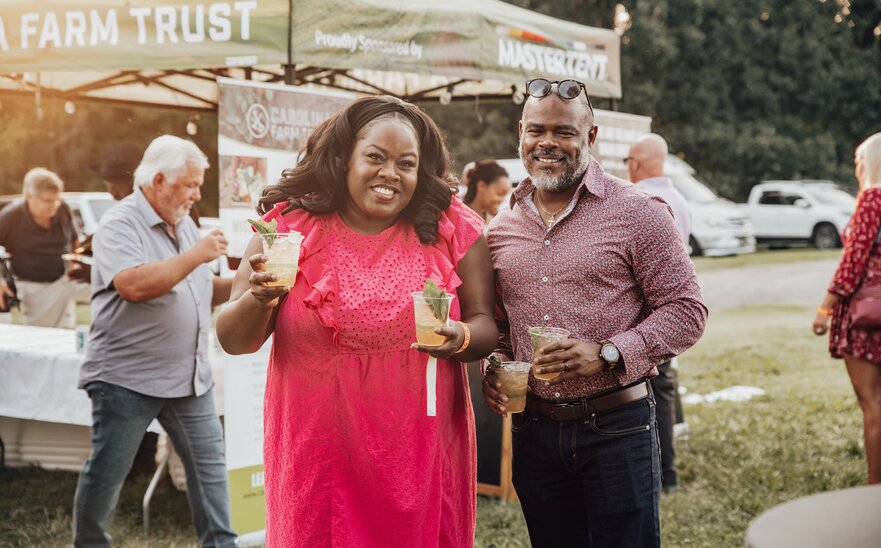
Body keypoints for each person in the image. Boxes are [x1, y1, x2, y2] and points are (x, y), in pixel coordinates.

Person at [216, 95, 497, 547]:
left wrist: (460, 337)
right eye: (375, 157)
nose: (390, 173)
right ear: (344, 157)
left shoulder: (450, 226)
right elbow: (234, 339)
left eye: (406, 163)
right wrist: (259, 298)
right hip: (317, 451)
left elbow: (486, 324)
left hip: (417, 449)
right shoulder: (289, 228)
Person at [483, 78, 707, 547]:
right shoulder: (501, 227)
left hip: (617, 428)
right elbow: (502, 326)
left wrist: (607, 352)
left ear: (590, 137)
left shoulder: (639, 212)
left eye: (564, 132)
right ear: (520, 133)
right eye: (536, 130)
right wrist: (496, 366)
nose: (548, 143)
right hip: (534, 433)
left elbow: (687, 309)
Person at [72, 135, 236, 547]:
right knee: (108, 472)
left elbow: (200, 288)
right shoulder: (119, 222)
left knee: (210, 470)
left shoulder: (184, 222)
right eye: (191, 184)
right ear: (159, 179)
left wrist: (251, 280)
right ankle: (88, 543)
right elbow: (133, 284)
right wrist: (196, 255)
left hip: (189, 378)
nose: (197, 194)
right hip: (126, 378)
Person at [626, 133, 692, 492]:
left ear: (636, 162)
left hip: (646, 317)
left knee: (645, 393)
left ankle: (659, 472)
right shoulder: (679, 199)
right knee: (664, 390)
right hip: (672, 314)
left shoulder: (641, 200)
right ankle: (668, 472)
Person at [813, 132, 881, 485]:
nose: (856, 168)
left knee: (873, 405)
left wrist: (825, 310)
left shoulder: (873, 198)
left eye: (859, 161)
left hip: (868, 317)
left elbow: (852, 263)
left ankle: (875, 489)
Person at [0, 167, 89, 327]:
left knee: (111, 287)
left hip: (66, 277)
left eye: (56, 199)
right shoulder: (11, 217)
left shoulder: (62, 208)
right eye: (48, 201)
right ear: (29, 197)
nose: (54, 205)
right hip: (35, 287)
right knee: (45, 336)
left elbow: (74, 242)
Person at [461, 160, 513, 225]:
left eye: (505, 195)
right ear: (481, 186)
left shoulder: (495, 218)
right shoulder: (462, 217)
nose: (502, 200)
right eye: (499, 194)